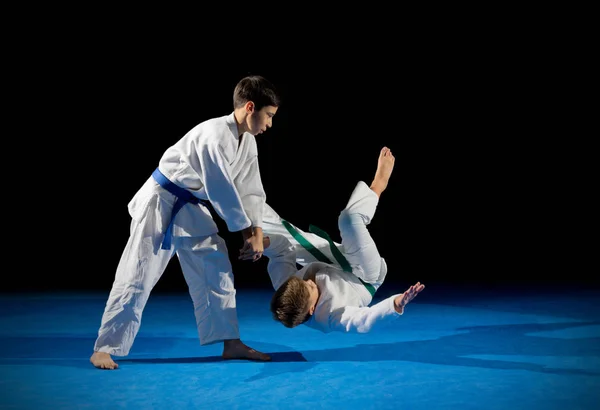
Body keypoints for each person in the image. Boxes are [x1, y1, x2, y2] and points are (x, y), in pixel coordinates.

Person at [91, 75, 280, 369]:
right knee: (138, 273)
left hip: (190, 206)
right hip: (161, 201)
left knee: (216, 268)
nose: (269, 124)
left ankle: (230, 343)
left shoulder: (248, 143)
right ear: (250, 107)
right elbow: (221, 190)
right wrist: (246, 234)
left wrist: (256, 231)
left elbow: (251, 190)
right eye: (268, 116)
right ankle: (104, 347)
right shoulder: (214, 134)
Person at [242, 147, 425, 333]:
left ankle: (240, 194)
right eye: (311, 288)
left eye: (304, 282)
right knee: (349, 219)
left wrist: (263, 244)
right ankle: (378, 186)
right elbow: (364, 321)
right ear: (312, 309)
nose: (311, 281)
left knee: (276, 234)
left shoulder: (286, 286)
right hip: (364, 277)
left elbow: (281, 253)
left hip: (332, 263)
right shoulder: (330, 317)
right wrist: (395, 304)